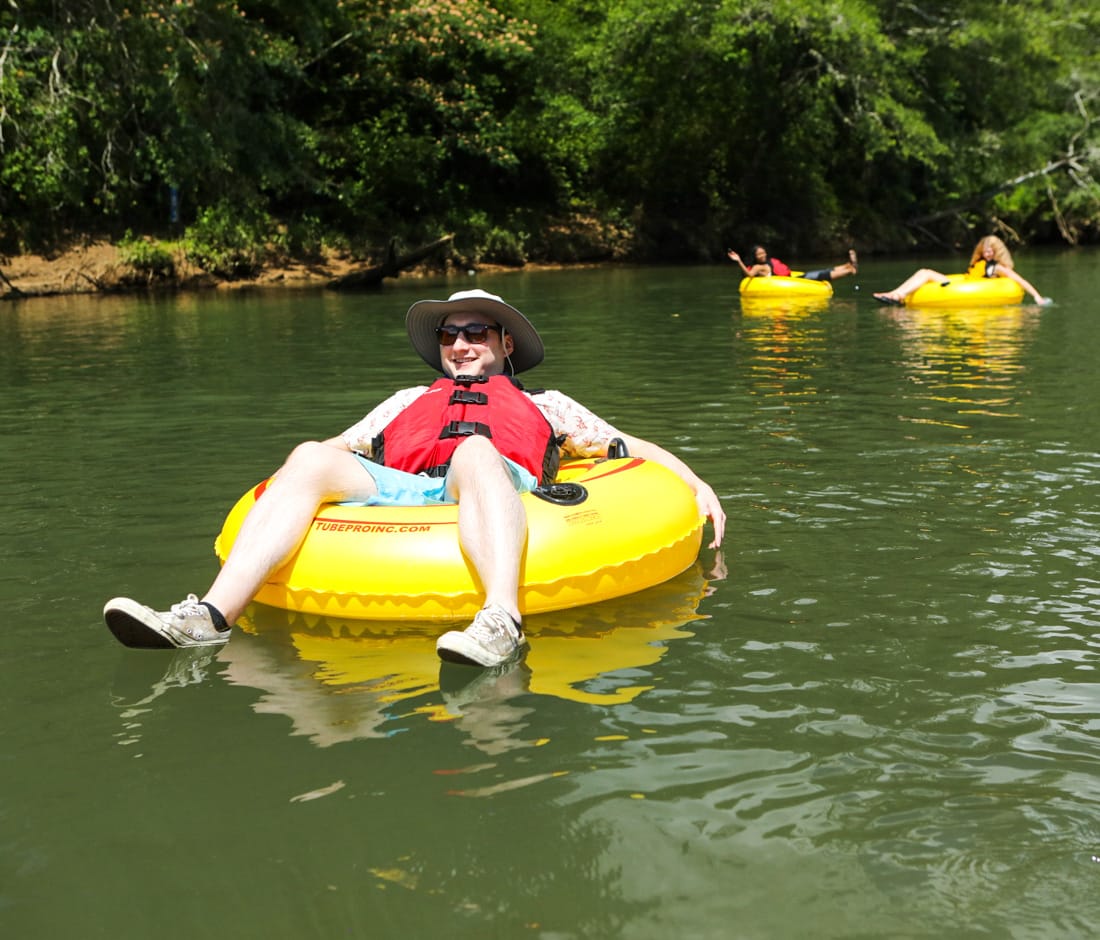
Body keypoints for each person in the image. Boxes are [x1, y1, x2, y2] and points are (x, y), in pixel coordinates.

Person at [104, 289, 727, 669]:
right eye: (449, 335)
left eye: (475, 332)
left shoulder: (550, 404)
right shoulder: (407, 399)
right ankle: (209, 618)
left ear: (506, 344)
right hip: (406, 489)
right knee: (308, 453)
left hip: (491, 479)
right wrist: (284, 484)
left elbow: (630, 449)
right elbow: (339, 448)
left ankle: (501, 623)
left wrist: (696, 485)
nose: (460, 344)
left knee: (475, 450)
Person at [873, 235, 1052, 306]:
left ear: (997, 251)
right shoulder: (980, 262)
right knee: (924, 272)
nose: (987, 253)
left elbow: (1019, 280)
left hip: (965, 289)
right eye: (985, 250)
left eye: (991, 250)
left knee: (926, 274)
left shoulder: (997, 268)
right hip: (962, 283)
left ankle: (898, 295)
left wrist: (1037, 297)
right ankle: (896, 294)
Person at [727, 245, 858, 282]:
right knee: (822, 274)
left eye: (764, 252)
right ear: (754, 256)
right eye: (759, 254)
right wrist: (739, 260)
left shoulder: (762, 264)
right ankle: (848, 268)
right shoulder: (758, 267)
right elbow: (749, 275)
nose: (763, 255)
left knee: (822, 273)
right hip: (793, 280)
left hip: (794, 280)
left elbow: (749, 274)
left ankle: (848, 267)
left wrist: (739, 261)